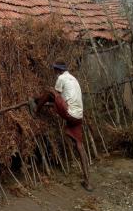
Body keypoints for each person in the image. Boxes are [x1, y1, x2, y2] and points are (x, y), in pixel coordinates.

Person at [34, 59, 93, 191]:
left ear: (58, 70)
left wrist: (43, 100)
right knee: (80, 146)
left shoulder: (61, 78)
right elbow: (62, 98)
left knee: (50, 91)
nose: (54, 71)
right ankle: (88, 182)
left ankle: (35, 109)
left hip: (69, 113)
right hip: (78, 116)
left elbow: (55, 96)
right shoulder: (73, 79)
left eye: (55, 69)